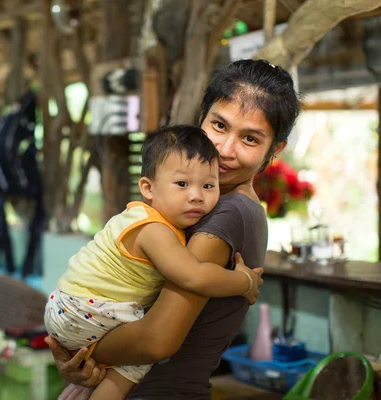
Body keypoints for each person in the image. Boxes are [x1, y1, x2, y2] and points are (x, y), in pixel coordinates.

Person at [46, 59, 302, 399]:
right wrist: (77, 356)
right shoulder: (194, 208)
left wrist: (78, 350)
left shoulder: (227, 212)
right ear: (202, 118)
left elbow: (157, 340)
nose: (225, 150)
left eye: (250, 138)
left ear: (275, 149)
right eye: (219, 126)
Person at [44, 125, 264, 400]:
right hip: (86, 309)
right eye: (182, 184)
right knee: (141, 354)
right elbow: (194, 276)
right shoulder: (154, 229)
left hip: (69, 306)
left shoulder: (140, 217)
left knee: (130, 357)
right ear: (147, 188)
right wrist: (243, 281)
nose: (196, 195)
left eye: (208, 185)